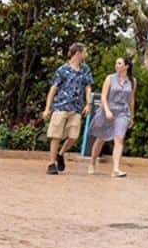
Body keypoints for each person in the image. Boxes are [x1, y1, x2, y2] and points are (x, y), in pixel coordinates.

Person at [42, 43, 93, 175]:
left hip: (76, 108)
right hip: (60, 106)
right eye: (84, 52)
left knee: (74, 136)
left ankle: (61, 153)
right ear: (78, 53)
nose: (86, 55)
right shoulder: (62, 70)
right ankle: (51, 164)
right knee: (56, 135)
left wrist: (88, 104)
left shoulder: (85, 70)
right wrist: (47, 108)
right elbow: (53, 89)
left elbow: (88, 87)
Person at [87, 57, 137, 177]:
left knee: (119, 139)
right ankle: (92, 162)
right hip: (108, 110)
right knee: (101, 138)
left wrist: (131, 116)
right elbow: (103, 96)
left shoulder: (132, 81)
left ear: (126, 66)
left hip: (122, 113)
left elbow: (131, 100)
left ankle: (115, 169)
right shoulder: (110, 78)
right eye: (116, 63)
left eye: (119, 63)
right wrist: (107, 110)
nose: (116, 65)